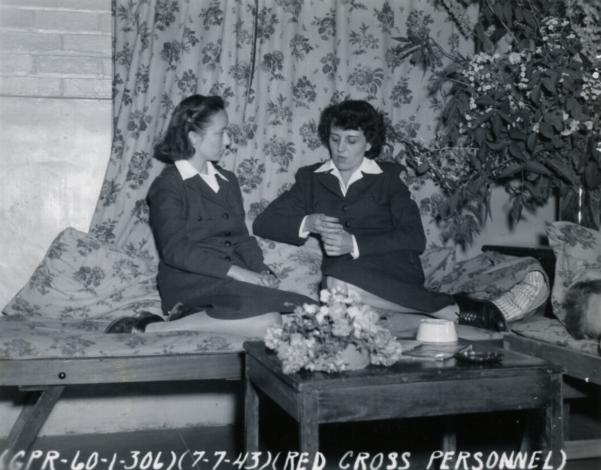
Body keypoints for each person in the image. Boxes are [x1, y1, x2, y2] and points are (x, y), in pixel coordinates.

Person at [106, 95, 314, 337]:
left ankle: (188, 317)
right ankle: (152, 327)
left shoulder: (228, 181)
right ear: (194, 138)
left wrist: (261, 272)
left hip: (231, 281)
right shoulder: (168, 185)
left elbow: (242, 239)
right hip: (189, 282)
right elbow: (176, 250)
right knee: (272, 321)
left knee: (309, 313)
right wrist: (238, 272)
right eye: (221, 133)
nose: (228, 141)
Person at [252, 99, 454, 314]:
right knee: (335, 289)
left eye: (351, 141)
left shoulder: (390, 177)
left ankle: (436, 308)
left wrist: (354, 244)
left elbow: (414, 238)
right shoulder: (311, 178)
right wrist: (308, 223)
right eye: (335, 139)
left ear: (369, 144)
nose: (340, 148)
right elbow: (263, 223)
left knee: (336, 288)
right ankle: (435, 310)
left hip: (394, 269)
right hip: (342, 273)